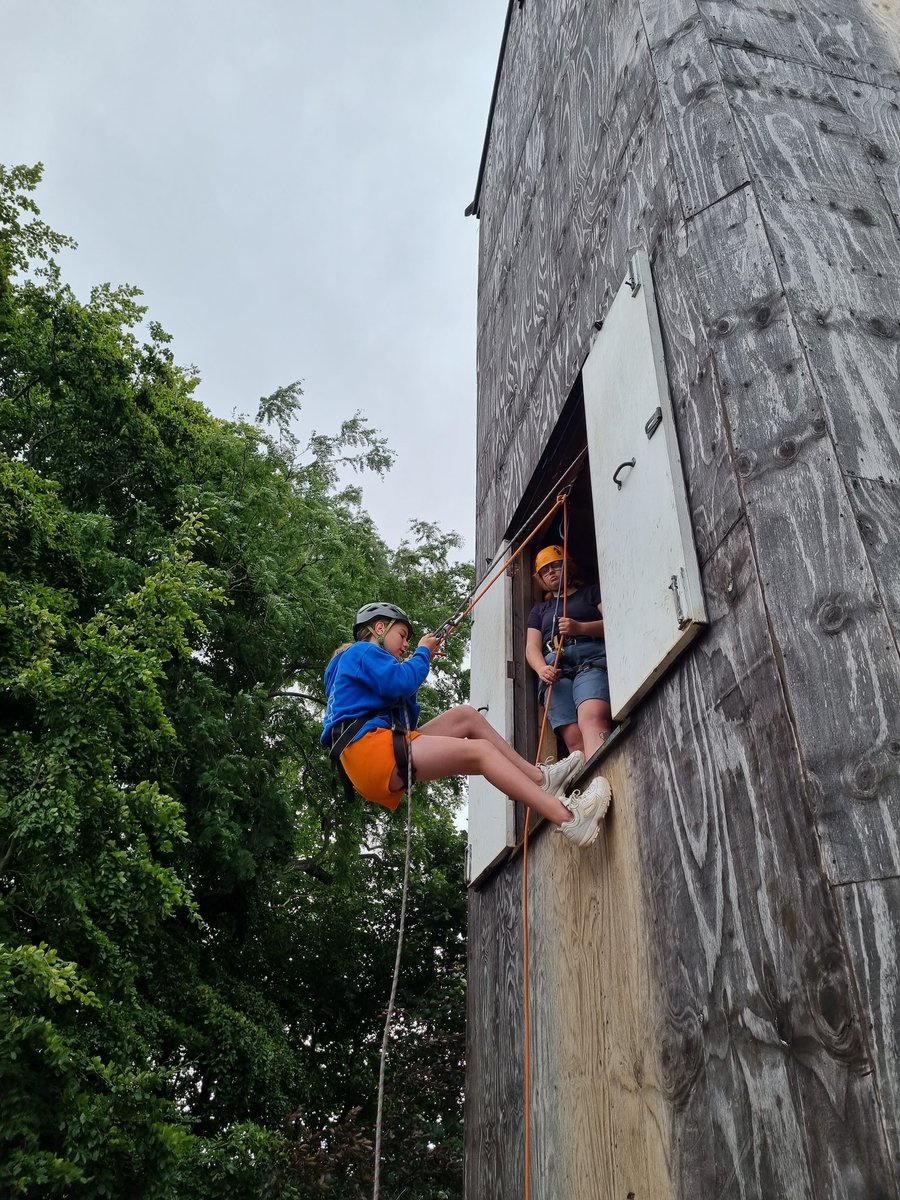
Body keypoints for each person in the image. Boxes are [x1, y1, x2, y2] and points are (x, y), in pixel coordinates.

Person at [321, 601, 612, 848]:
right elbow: (402, 683)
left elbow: (405, 706)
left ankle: (540, 779)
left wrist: (418, 660)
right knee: (481, 753)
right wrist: (422, 653)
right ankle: (571, 819)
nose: (406, 643)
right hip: (372, 751)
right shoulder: (361, 652)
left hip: (370, 754)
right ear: (379, 628)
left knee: (466, 717)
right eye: (402, 634)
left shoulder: (355, 666)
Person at [525, 545, 613, 760]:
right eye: (545, 571)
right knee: (573, 739)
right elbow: (531, 647)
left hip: (590, 659)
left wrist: (581, 628)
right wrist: (541, 669)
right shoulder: (540, 611)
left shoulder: (591, 593)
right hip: (555, 667)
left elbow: (615, 622)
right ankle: (590, 790)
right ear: (541, 579)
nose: (551, 572)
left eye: (556, 565)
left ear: (569, 566)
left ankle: (603, 774)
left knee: (592, 719)